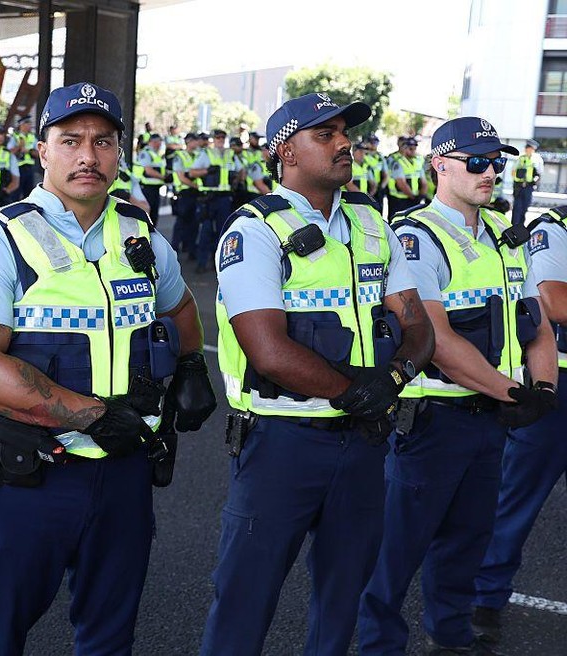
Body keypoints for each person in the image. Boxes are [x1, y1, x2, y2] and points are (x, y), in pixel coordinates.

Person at [0, 81, 216, 655]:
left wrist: (191, 363)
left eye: (103, 141)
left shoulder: (140, 233)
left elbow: (182, 307)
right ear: (42, 150)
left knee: (109, 639)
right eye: (70, 140)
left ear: (121, 151)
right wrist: (91, 416)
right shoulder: (0, 236)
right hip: (32, 473)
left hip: (124, 474)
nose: (88, 156)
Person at [202, 92, 434, 656]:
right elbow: (268, 351)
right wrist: (362, 392)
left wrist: (396, 375)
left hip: (363, 442)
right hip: (282, 443)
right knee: (244, 600)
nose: (343, 142)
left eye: (343, 132)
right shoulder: (254, 230)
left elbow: (418, 326)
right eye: (324, 134)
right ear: (285, 152)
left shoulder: (373, 224)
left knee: (342, 600)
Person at [357, 117, 558, 655]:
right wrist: (516, 395)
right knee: (397, 549)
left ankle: (450, 639)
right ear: (439, 164)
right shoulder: (414, 238)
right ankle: (379, 645)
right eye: (477, 160)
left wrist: (543, 388)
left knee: (468, 544)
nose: (491, 171)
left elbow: (535, 322)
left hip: (492, 421)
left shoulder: (502, 234)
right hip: (435, 425)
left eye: (497, 161)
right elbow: (437, 340)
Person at [471, 203, 567, 645]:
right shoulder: (555, 227)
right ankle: (485, 596)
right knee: (516, 499)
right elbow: (553, 299)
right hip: (558, 388)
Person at [190, 129, 237, 273]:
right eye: (218, 137)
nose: (220, 140)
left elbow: (240, 170)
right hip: (209, 198)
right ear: (213, 139)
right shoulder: (206, 154)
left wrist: (236, 180)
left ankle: (217, 263)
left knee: (223, 232)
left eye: (223, 137)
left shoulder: (231, 154)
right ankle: (202, 263)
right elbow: (192, 172)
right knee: (206, 230)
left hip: (224, 198)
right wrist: (207, 171)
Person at [170, 132, 202, 259]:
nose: (197, 143)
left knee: (194, 223)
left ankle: (190, 249)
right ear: (189, 141)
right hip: (184, 193)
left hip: (195, 193)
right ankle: (174, 249)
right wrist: (197, 186)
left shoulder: (197, 155)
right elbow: (181, 177)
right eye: (195, 140)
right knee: (181, 222)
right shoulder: (180, 156)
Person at [387, 136, 426, 217]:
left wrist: (421, 195)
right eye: (410, 149)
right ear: (405, 148)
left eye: (414, 148)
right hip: (399, 200)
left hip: (414, 199)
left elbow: (424, 182)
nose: (413, 151)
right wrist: (413, 197)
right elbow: (401, 183)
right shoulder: (398, 162)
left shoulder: (417, 162)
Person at [134, 132, 165, 225]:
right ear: (152, 142)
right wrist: (164, 177)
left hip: (154, 189)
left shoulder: (156, 154)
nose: (159, 144)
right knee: (147, 216)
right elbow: (148, 171)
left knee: (153, 217)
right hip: (146, 188)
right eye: (158, 142)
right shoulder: (146, 153)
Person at [511, 138, 543, 226]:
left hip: (529, 187)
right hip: (519, 186)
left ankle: (520, 226)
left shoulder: (537, 159)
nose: (527, 150)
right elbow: (513, 171)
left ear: (533, 149)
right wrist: (517, 181)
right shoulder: (520, 157)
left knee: (525, 207)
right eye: (527, 148)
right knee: (517, 207)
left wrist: (534, 182)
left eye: (530, 148)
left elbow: (539, 174)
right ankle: (514, 226)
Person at [8, 115, 38, 198]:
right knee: (15, 193)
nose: (30, 126)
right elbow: (9, 152)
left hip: (29, 168)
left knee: (29, 193)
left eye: (30, 123)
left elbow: (38, 153)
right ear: (22, 125)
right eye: (28, 123)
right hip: (17, 168)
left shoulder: (32, 137)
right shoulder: (14, 136)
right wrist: (19, 146)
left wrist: (28, 151)